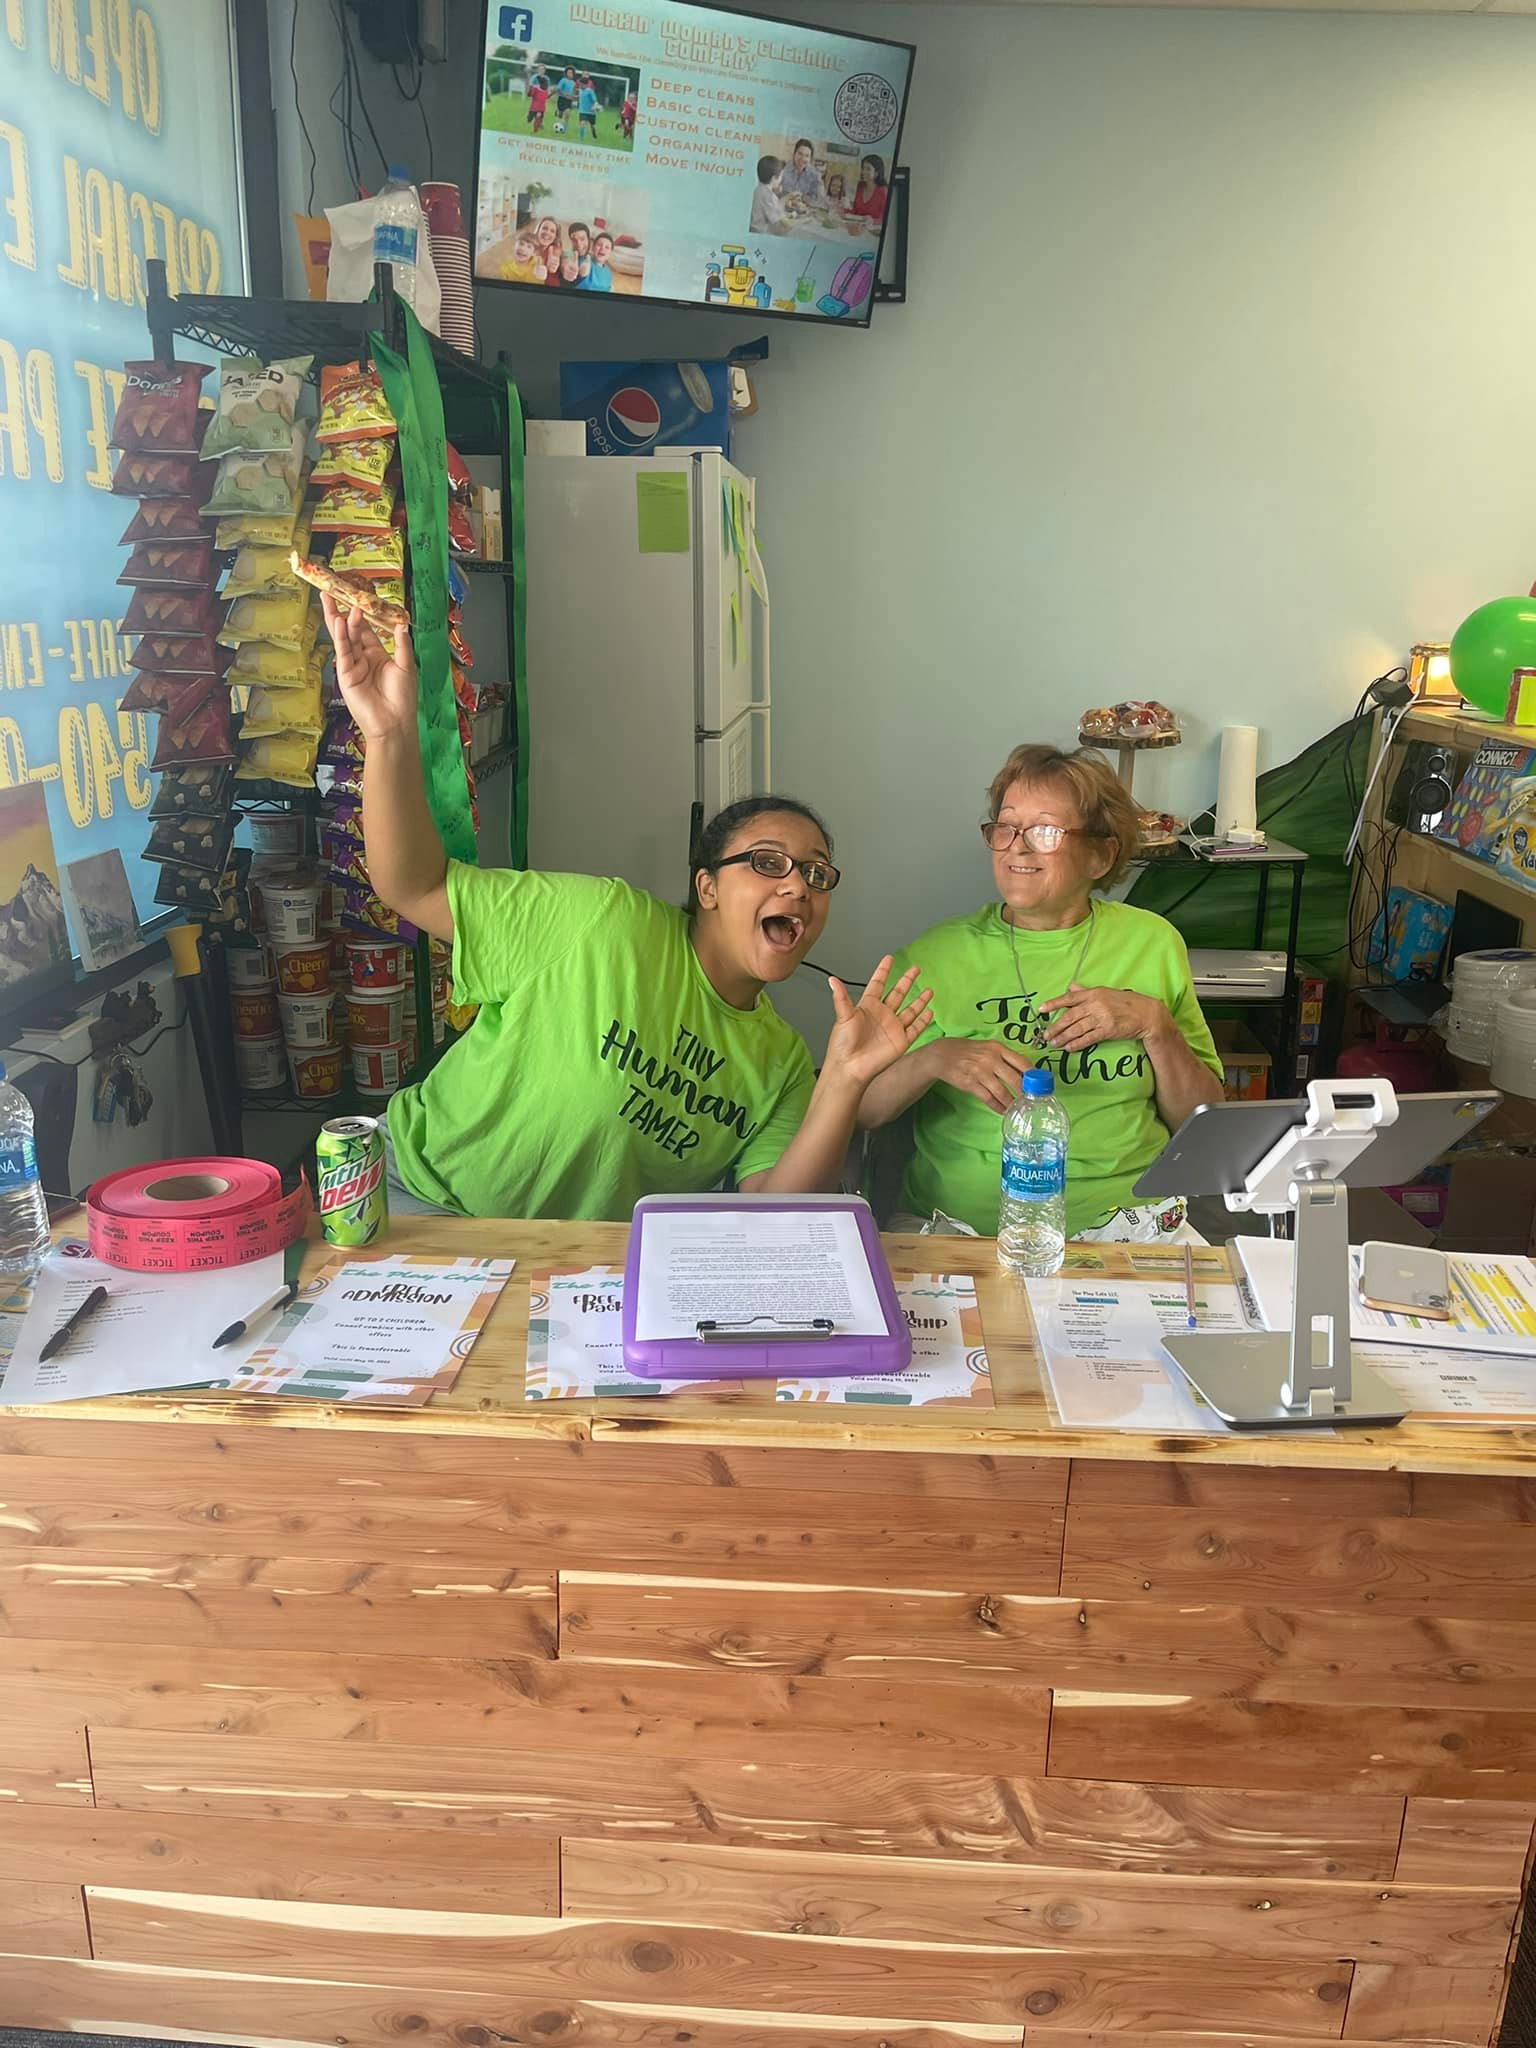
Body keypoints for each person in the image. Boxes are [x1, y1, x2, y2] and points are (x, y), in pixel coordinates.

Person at [320, 596, 933, 1222]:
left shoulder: (780, 1065)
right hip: (416, 1198)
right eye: (768, 862)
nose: (799, 885)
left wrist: (844, 1080)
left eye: (816, 873)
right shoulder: (603, 921)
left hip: (575, 1262)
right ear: (708, 888)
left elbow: (772, 1216)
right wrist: (388, 735)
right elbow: (415, 887)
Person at [859, 744, 1224, 1242]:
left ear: (1101, 854)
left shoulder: (1153, 943)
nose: (1017, 847)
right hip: (962, 1229)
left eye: (1045, 831)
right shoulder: (934, 956)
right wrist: (932, 1060)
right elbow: (863, 1111)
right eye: (1006, 827)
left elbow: (1202, 1124)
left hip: (1132, 1226)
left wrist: (1154, 1026)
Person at [750, 156, 790, 236]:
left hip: (755, 227)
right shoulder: (768, 195)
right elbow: (779, 219)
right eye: (781, 176)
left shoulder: (758, 189)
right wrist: (793, 225)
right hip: (761, 232)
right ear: (774, 178)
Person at [779, 138, 824, 207]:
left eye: (807, 156)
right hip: (781, 207)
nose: (803, 158)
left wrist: (803, 197)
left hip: (803, 210)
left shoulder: (814, 174)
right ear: (794, 153)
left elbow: (815, 198)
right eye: (800, 153)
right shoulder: (782, 168)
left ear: (810, 159)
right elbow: (774, 193)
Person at [851, 154, 888, 226]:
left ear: (876, 173)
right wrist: (843, 210)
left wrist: (873, 221)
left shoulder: (883, 191)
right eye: (863, 168)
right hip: (857, 227)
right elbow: (855, 210)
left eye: (868, 169)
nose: (863, 171)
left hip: (873, 230)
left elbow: (885, 219)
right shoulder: (860, 186)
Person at [532, 214, 562, 283]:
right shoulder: (528, 247)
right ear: (538, 230)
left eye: (552, 231)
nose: (547, 233)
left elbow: (566, 254)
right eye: (544, 228)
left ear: (555, 237)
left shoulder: (555, 250)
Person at [526, 67, 551, 134]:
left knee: (538, 117)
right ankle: (531, 118)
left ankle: (536, 129)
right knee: (529, 119)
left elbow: (548, 96)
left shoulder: (546, 80)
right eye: (540, 69)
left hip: (541, 107)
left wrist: (552, 93)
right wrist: (531, 89)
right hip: (534, 106)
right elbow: (530, 94)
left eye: (543, 69)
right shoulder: (535, 80)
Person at [554, 65, 576, 132]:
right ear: (566, 73)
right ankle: (558, 126)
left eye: (571, 73)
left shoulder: (573, 83)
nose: (570, 74)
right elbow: (558, 90)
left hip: (568, 101)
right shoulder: (563, 80)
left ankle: (564, 129)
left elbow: (573, 93)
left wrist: (573, 98)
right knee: (560, 114)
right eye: (569, 72)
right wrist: (564, 95)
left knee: (567, 113)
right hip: (562, 99)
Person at [578, 74, 599, 142]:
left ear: (585, 84)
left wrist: (594, 107)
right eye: (580, 84)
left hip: (591, 112)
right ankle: (581, 139)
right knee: (582, 123)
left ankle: (594, 136)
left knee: (592, 126)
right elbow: (580, 98)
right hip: (582, 111)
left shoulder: (590, 91)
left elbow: (595, 101)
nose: (580, 85)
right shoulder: (580, 91)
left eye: (581, 84)